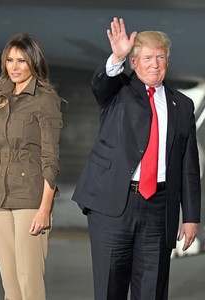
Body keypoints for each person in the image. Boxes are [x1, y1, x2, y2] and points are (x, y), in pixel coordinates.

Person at [72, 17, 201, 300]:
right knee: (110, 289)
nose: (155, 63)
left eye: (160, 57)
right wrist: (116, 55)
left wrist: (191, 216)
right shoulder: (118, 91)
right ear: (133, 62)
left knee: (152, 291)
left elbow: (189, 168)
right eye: (147, 58)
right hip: (114, 205)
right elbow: (101, 84)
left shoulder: (182, 105)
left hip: (159, 208)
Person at [0, 33, 63, 300]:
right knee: (10, 287)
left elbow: (51, 161)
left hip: (30, 201)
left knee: (30, 285)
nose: (14, 66)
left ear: (33, 63)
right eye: (10, 60)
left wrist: (44, 209)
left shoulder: (46, 100)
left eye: (21, 60)